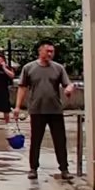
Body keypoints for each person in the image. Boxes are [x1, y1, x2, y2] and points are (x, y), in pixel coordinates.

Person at [18, 40, 77, 180]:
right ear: (40, 51)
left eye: (52, 51)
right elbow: (22, 87)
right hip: (37, 109)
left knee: (60, 140)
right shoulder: (29, 68)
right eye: (48, 51)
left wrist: (69, 89)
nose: (50, 54)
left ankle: (64, 169)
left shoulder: (58, 68)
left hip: (55, 110)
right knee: (36, 140)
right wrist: (17, 106)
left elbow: (67, 84)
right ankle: (33, 168)